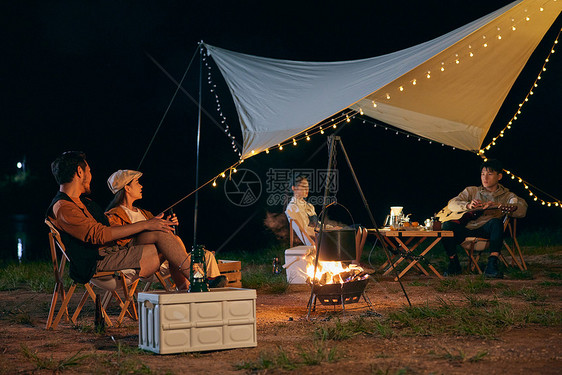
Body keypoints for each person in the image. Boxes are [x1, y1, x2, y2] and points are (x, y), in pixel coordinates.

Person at [47, 151, 193, 290]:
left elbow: (107, 230)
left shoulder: (83, 202)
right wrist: (146, 224)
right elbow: (99, 234)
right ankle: (196, 281)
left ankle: (192, 283)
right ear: (80, 171)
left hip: (113, 251)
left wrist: (153, 224)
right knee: (167, 244)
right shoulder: (63, 207)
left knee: (163, 236)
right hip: (98, 262)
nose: (91, 176)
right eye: (89, 171)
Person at [104, 169, 226, 288]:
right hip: (139, 257)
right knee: (166, 239)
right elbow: (118, 239)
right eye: (137, 182)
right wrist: (150, 226)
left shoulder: (144, 213)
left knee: (185, 245)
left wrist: (166, 224)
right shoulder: (114, 215)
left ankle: (191, 286)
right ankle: (196, 280)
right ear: (127, 187)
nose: (141, 186)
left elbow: (164, 238)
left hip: (159, 256)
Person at [441, 159, 527, 278]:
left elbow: (522, 209)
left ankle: (492, 264)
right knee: (446, 225)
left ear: (499, 176)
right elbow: (452, 203)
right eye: (482, 174)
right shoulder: (472, 191)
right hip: (467, 228)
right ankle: (454, 263)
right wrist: (468, 205)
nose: (485, 178)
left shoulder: (507, 195)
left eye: (490, 174)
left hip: (487, 231)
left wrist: (497, 206)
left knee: (496, 223)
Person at [285, 175, 367, 265]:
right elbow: (304, 229)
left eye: (307, 187)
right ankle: (353, 264)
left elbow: (318, 224)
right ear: (294, 188)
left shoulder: (309, 206)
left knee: (362, 229)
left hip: (323, 233)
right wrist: (326, 231)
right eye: (303, 187)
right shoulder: (292, 208)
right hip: (319, 237)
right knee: (357, 229)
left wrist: (332, 227)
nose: (306, 190)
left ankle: (355, 263)